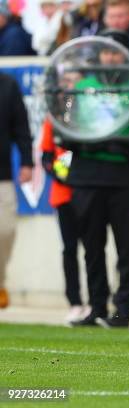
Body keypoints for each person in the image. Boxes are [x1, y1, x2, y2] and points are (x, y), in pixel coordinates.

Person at [66, 30, 129, 328]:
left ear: (126, 56)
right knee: (92, 248)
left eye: (116, 52)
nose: (110, 57)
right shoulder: (83, 86)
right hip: (87, 178)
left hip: (126, 179)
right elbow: (65, 130)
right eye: (106, 51)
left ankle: (123, 310)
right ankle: (96, 307)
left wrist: (122, 145)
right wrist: (90, 143)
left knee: (128, 248)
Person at [40, 116, 88, 323]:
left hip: (88, 193)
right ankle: (74, 302)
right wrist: (62, 175)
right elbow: (46, 158)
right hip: (63, 195)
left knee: (93, 248)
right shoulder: (53, 121)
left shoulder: (89, 116)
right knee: (69, 249)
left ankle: (96, 301)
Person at [0, 72, 33, 309]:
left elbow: (21, 126)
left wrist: (27, 161)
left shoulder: (8, 85)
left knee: (6, 230)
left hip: (2, 175)